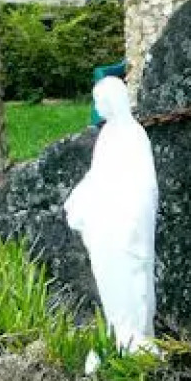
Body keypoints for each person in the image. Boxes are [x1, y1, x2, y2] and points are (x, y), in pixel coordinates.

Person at [63, 75, 158, 353]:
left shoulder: (133, 135)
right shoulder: (107, 136)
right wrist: (79, 200)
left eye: (100, 101)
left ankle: (135, 336)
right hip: (107, 223)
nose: (98, 107)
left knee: (132, 280)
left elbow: (144, 184)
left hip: (127, 223)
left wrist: (130, 216)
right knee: (110, 279)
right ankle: (119, 333)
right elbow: (98, 177)